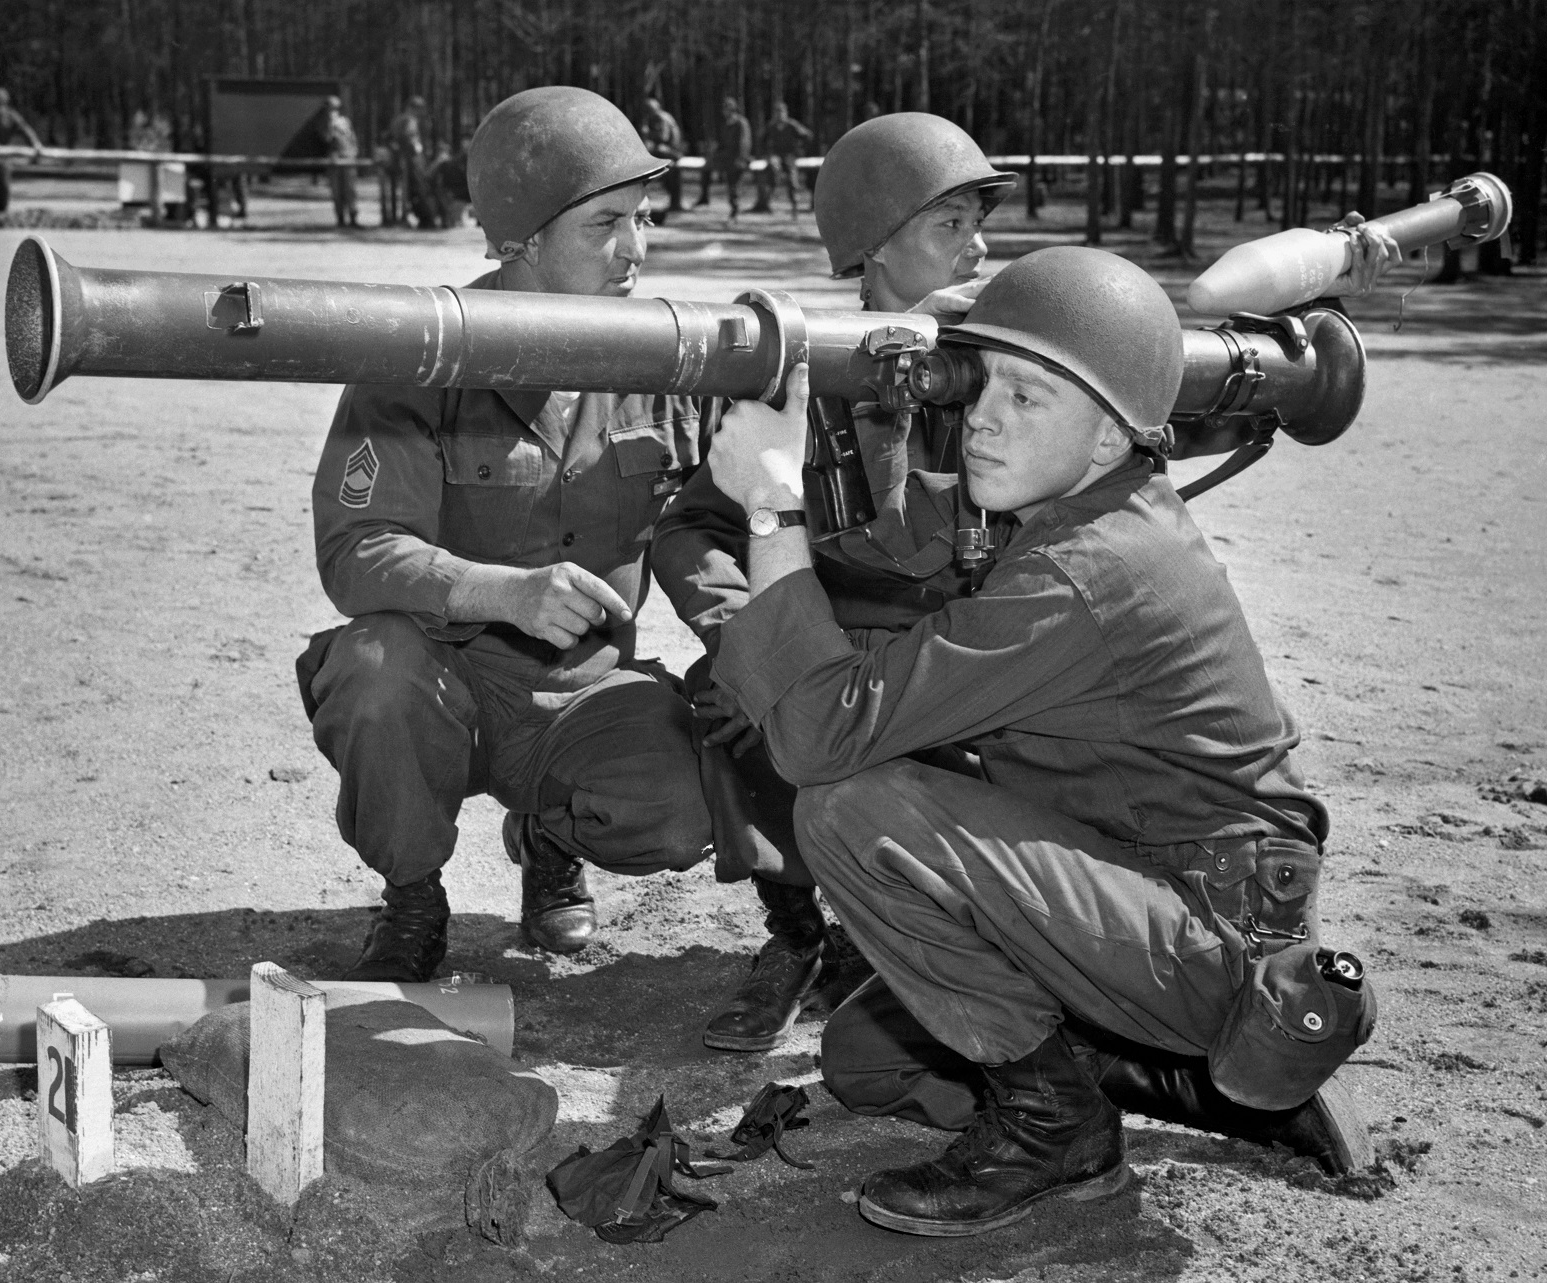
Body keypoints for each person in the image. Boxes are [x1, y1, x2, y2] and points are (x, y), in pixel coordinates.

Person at [698, 246, 1369, 1235]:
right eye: (982, 387)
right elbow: (880, 589)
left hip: (1209, 917)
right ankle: (1218, 1080)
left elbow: (821, 736)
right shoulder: (1076, 507)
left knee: (847, 806)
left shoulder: (1085, 567)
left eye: (1027, 395)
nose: (982, 418)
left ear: (1110, 435)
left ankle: (1062, 1131)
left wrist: (768, 501)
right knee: (868, 1063)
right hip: (1147, 877)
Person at [298, 86, 713, 980]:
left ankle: (547, 836)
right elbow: (357, 546)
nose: (636, 250)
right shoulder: (419, 356)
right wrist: (503, 590)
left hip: (581, 688)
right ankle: (414, 891)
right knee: (374, 676)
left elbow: (704, 524)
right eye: (607, 223)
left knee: (685, 803)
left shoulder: (658, 356)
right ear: (523, 236)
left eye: (641, 220)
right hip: (441, 674)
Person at [650, 113, 1014, 1052]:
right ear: (874, 247)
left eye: (979, 224)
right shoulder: (800, 374)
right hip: (823, 651)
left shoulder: (1004, 373)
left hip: (949, 668)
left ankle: (906, 935)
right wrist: (740, 638)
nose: (980, 247)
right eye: (951, 226)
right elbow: (696, 523)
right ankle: (800, 934)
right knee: (738, 698)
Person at [0, 87, 42, 214]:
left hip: (3, 158)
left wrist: (35, 143)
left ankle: (0, 215)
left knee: (4, 189)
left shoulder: (11, 116)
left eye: (1, 102)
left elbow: (24, 128)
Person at [754, 101, 812, 215]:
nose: (779, 115)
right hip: (776, 156)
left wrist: (800, 149)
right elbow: (761, 140)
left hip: (789, 155)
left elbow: (807, 135)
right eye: (777, 112)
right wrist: (766, 153)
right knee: (772, 171)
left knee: (792, 178)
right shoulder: (771, 126)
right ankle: (767, 200)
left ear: (786, 112)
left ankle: (794, 203)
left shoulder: (792, 125)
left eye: (781, 112)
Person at [388, 95, 434, 228]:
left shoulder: (400, 119)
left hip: (405, 159)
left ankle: (417, 217)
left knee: (411, 190)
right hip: (411, 160)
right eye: (419, 108)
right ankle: (424, 219)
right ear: (412, 108)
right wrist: (417, 153)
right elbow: (409, 139)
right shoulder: (409, 120)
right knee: (418, 189)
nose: (421, 112)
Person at [639, 96, 686, 220]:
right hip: (672, 151)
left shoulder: (660, 117)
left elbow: (663, 137)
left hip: (672, 152)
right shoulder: (663, 116)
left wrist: (647, 132)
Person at [319, 95, 360, 229]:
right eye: (331, 107)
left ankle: (353, 218)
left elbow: (352, 138)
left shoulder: (345, 121)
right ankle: (340, 219)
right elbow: (326, 138)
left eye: (336, 107)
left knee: (351, 190)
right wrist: (331, 124)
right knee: (337, 191)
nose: (334, 110)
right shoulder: (323, 123)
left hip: (348, 159)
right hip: (335, 160)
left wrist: (354, 151)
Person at [714, 97, 752, 220]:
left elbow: (744, 142)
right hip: (727, 159)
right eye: (724, 108)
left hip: (737, 159)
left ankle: (734, 211)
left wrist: (741, 159)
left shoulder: (741, 123)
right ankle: (733, 209)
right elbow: (722, 143)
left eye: (728, 108)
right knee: (730, 185)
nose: (726, 111)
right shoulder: (725, 124)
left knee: (735, 185)